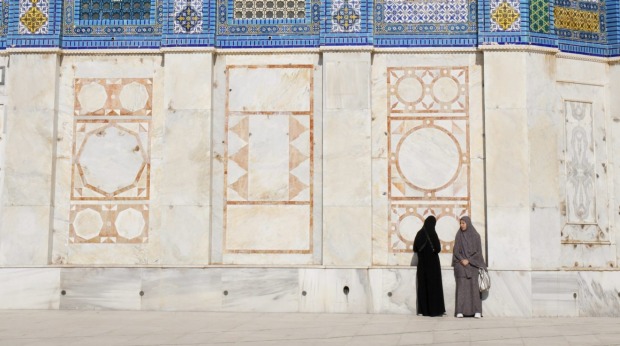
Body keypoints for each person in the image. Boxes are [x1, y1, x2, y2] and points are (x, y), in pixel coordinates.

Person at [452, 216, 485, 318]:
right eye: (460, 223)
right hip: (461, 265)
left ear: (468, 223)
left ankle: (477, 311)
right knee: (461, 288)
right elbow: (456, 251)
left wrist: (469, 260)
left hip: (472, 265)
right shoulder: (459, 235)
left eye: (463, 223)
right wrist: (462, 259)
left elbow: (478, 252)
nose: (461, 225)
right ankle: (460, 311)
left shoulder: (476, 236)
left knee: (474, 288)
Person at [412, 215, 445, 317]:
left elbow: (415, 248)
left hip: (422, 265)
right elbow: (438, 249)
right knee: (434, 287)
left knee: (423, 286)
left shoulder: (419, 233)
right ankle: (434, 311)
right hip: (433, 265)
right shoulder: (433, 234)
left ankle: (423, 311)